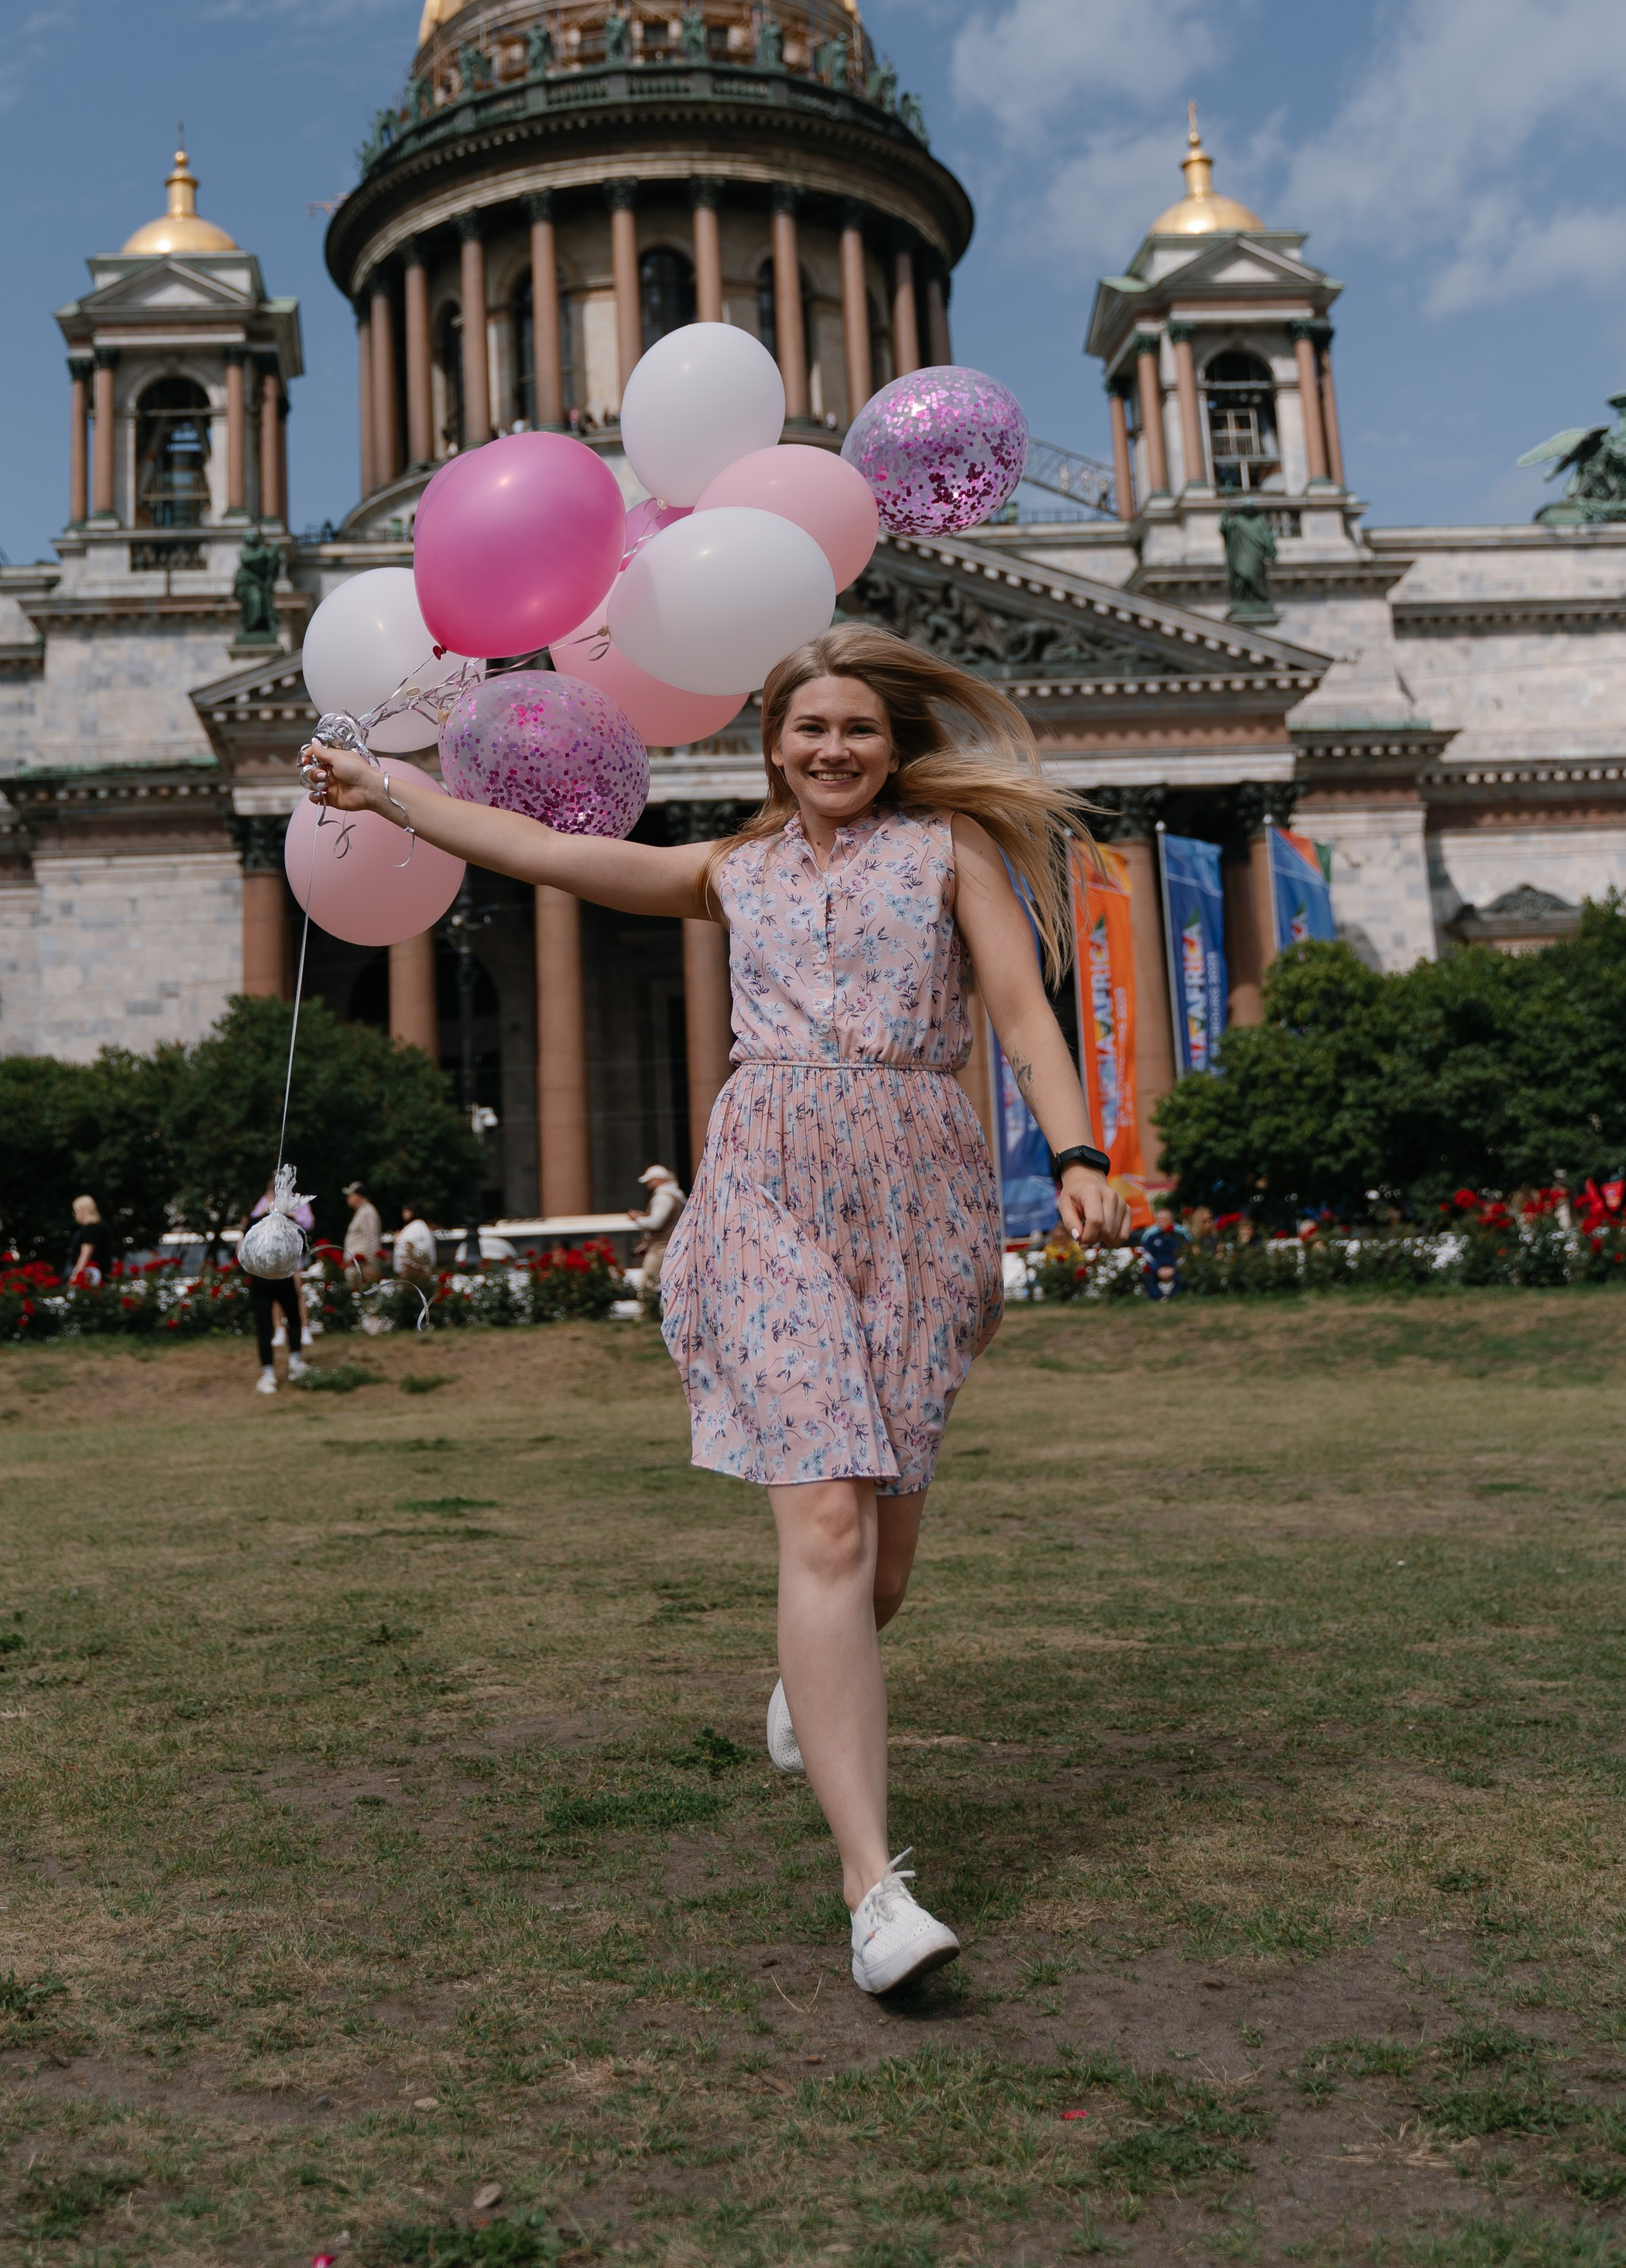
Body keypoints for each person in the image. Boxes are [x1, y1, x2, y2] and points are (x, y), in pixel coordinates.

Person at [305, 623, 1127, 1999]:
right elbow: (549, 855)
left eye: (860, 729)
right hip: (766, 1195)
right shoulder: (726, 872)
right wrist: (392, 791)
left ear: (895, 746)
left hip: (923, 1195)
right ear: (773, 747)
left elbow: (1027, 1020)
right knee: (821, 1517)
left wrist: (1083, 1151)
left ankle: (811, 1684)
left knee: (882, 1569)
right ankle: (873, 1889)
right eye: (811, 730)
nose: (836, 750)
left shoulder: (953, 858)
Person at [248, 1179, 314, 1393]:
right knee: (294, 1319)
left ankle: (268, 1375)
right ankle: (295, 1363)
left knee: (264, 1327)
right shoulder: (290, 1221)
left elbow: (244, 1250)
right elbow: (302, 1246)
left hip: (259, 1280)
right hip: (283, 1277)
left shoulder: (254, 1221)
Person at [629, 1164, 685, 1299]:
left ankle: (645, 1314)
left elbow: (656, 1223)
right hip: (674, 1244)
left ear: (658, 1180)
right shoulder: (677, 1195)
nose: (648, 1184)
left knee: (648, 1283)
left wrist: (637, 1219)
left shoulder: (663, 1197)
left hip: (661, 1247)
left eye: (650, 1180)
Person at [391, 1203, 439, 1312]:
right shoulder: (424, 1226)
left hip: (412, 1270)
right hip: (424, 1269)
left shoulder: (413, 1228)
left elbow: (403, 1247)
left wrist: (397, 1239)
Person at [1137, 1196, 1183, 1300]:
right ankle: (1159, 1297)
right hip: (1158, 1269)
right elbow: (1147, 1255)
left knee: (1185, 1275)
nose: (1159, 1223)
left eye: (1162, 1220)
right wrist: (1158, 1269)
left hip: (1175, 1269)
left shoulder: (1180, 1236)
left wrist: (1173, 1268)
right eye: (1157, 1220)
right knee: (1145, 1275)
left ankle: (1175, 1298)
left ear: (1170, 1220)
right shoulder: (1152, 1237)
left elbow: (1184, 1254)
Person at [342, 1182, 383, 1282]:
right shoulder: (361, 1211)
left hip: (362, 1267)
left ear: (358, 1196)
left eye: (350, 1196)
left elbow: (372, 1239)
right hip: (356, 1265)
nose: (348, 1198)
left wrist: (371, 1264)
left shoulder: (368, 1212)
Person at [67, 1194, 113, 1283]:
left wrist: (76, 1275)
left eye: (76, 1211)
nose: (74, 1215)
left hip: (91, 1275)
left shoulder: (91, 1229)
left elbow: (86, 1253)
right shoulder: (103, 1226)